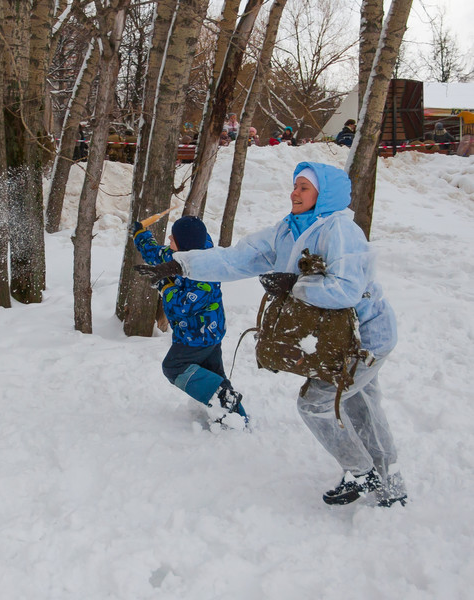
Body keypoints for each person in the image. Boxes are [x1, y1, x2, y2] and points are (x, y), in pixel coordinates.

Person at [134, 162, 408, 508]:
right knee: (361, 404)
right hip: (341, 339)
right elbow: (236, 260)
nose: (295, 193)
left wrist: (296, 283)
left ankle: (361, 472)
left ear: (324, 195)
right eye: (295, 186)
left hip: (365, 338)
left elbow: (347, 290)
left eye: (304, 188)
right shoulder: (288, 230)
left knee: (316, 404)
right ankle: (391, 486)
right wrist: (181, 265)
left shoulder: (340, 231)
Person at [129, 216, 248, 430]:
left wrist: (164, 284)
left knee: (174, 367)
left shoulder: (205, 274)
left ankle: (225, 400)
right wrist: (140, 235)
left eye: (172, 238)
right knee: (212, 374)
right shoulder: (182, 254)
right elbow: (158, 254)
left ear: (184, 244)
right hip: (205, 333)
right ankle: (234, 418)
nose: (168, 239)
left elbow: (180, 306)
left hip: (198, 335)